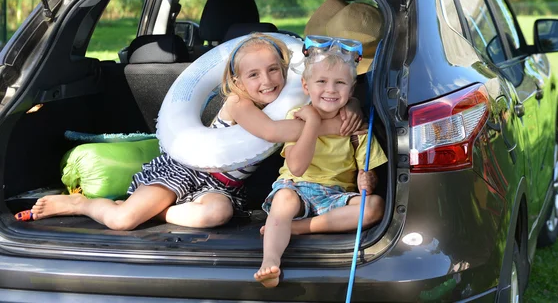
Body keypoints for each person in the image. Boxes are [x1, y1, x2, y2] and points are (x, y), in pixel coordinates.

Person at [28, 33, 365, 230]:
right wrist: (336, 124)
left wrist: (353, 107)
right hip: (186, 170)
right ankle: (83, 205)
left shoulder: (295, 98)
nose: (267, 81)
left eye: (274, 70)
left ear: (287, 71)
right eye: (254, 75)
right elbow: (275, 131)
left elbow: (327, 95)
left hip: (224, 187)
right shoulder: (239, 104)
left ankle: (159, 212)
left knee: (217, 214)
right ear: (236, 81)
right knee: (124, 220)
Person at [254, 36, 387, 288]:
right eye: (321, 82)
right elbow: (296, 168)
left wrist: (367, 177)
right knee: (283, 200)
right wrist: (313, 123)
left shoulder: (357, 127)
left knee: (375, 206)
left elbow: (368, 173)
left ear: (352, 87)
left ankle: (300, 228)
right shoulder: (298, 118)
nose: (330, 90)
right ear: (306, 86)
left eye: (340, 83)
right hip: (298, 186)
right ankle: (269, 261)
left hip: (336, 195)